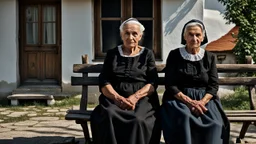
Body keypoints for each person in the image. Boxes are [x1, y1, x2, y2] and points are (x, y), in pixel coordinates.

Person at [90, 18, 161, 144]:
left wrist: (135, 97)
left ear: (140, 36)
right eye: (127, 33)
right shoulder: (112, 54)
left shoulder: (147, 54)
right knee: (109, 115)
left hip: (141, 98)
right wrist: (117, 98)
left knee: (138, 119)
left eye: (134, 34)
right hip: (115, 96)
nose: (131, 37)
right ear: (121, 35)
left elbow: (153, 81)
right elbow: (104, 80)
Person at [161, 19, 230, 144]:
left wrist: (201, 102)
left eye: (197, 35)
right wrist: (189, 102)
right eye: (190, 35)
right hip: (179, 99)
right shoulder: (174, 55)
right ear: (184, 37)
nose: (194, 38)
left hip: (205, 99)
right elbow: (170, 84)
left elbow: (213, 85)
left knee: (215, 124)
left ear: (203, 37)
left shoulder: (210, 57)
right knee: (184, 118)